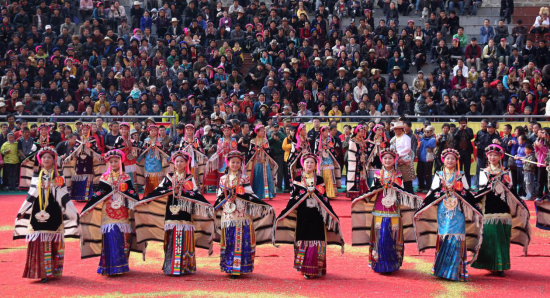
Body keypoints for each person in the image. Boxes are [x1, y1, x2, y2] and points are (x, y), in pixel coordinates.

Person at [134, 150, 215, 276]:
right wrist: (144, 200)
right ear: (173, 163)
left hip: (185, 213)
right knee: (171, 236)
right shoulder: (169, 177)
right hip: (171, 211)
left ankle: (186, 266)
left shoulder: (189, 178)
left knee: (185, 236)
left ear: (186, 163)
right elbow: (158, 191)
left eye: (181, 161)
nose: (179, 163)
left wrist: (206, 204)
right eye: (177, 161)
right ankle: (170, 266)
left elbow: (196, 194)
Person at [414, 149, 483, 282]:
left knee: (457, 236)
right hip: (443, 210)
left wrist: (473, 206)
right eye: (447, 158)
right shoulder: (439, 175)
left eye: (452, 158)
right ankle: (441, 269)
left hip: (457, 210)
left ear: (456, 161)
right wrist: (421, 208)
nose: (450, 161)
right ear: (443, 160)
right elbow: (432, 192)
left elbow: (467, 192)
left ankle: (455, 271)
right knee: (444, 235)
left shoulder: (461, 175)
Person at [272, 153, 344, 279]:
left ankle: (317, 267)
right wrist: (284, 213)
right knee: (303, 237)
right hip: (303, 213)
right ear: (303, 165)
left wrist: (331, 213)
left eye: (312, 162)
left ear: (316, 165)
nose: (309, 164)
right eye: (307, 162)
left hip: (317, 213)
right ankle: (305, 267)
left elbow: (324, 198)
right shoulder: (298, 179)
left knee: (317, 238)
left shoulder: (320, 179)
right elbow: (293, 198)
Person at [351, 148, 422, 273]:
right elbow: (371, 191)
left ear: (394, 160)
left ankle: (392, 263)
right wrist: (379, 187)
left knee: (392, 236)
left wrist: (393, 187)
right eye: (385, 158)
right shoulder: (378, 175)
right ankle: (379, 263)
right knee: (381, 236)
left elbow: (403, 193)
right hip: (379, 210)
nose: (387, 160)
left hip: (394, 210)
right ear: (381, 160)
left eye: (390, 158)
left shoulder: (399, 175)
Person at [13, 147, 79, 282]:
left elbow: (64, 196)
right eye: (44, 157)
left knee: (53, 238)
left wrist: (73, 213)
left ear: (54, 160)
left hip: (54, 210)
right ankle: (42, 272)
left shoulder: (59, 177)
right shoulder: (36, 176)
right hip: (38, 210)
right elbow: (31, 196)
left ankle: (53, 272)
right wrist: (22, 211)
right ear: (40, 160)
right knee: (39, 239)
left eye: (49, 157)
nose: (46, 160)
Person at [79, 149, 144, 276]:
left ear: (121, 162)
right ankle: (109, 266)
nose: (114, 164)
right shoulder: (104, 177)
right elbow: (98, 195)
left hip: (122, 210)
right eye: (111, 162)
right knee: (110, 235)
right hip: (108, 212)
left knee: (121, 237)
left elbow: (132, 194)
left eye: (116, 161)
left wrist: (137, 202)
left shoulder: (125, 177)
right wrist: (87, 208)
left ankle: (121, 266)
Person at [471, 144, 531, 277]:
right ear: (487, 157)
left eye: (495, 155)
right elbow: (481, 190)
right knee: (489, 237)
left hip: (504, 208)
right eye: (490, 155)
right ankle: (489, 264)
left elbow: (511, 189)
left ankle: (501, 265)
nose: (492, 157)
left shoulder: (506, 172)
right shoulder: (483, 171)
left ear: (500, 157)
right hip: (488, 208)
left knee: (502, 238)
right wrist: (492, 185)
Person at [213, 150, 275, 278]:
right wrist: (219, 204)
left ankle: (240, 267)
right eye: (232, 162)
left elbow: (250, 195)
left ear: (241, 164)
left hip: (242, 215)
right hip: (228, 214)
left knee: (241, 240)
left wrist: (264, 206)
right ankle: (229, 266)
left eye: (237, 162)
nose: (235, 165)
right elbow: (219, 196)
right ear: (228, 163)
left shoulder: (243, 178)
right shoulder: (223, 179)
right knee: (229, 240)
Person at [63, 123, 105, 201]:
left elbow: (96, 151)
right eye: (83, 130)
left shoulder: (92, 139)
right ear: (81, 131)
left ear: (89, 130)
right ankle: (78, 196)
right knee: (79, 177)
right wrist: (69, 158)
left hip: (89, 160)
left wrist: (91, 149)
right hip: (79, 161)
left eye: (87, 130)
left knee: (88, 177)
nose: (85, 131)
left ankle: (87, 196)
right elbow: (74, 151)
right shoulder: (78, 140)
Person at [136, 124, 170, 196]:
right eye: (152, 131)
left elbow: (163, 150)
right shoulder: (146, 140)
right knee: (148, 178)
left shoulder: (159, 140)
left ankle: (156, 193)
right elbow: (143, 150)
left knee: (157, 177)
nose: (153, 132)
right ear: (149, 132)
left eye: (155, 130)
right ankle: (148, 193)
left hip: (157, 160)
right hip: (148, 160)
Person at [245, 124, 278, 200]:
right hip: (256, 162)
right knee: (257, 178)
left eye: (263, 131)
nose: (263, 132)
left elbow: (268, 151)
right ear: (257, 132)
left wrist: (263, 149)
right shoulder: (252, 141)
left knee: (267, 178)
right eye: (261, 131)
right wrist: (256, 150)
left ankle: (268, 194)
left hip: (264, 162)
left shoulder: (265, 141)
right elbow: (250, 152)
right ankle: (256, 194)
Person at [19, 123, 55, 190]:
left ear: (47, 131)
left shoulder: (51, 139)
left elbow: (52, 150)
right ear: (39, 131)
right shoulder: (36, 139)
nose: (43, 131)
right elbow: (33, 151)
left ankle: (49, 186)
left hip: (48, 160)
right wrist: (26, 159)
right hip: (38, 160)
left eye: (45, 130)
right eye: (42, 130)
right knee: (38, 173)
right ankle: (37, 186)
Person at [313, 126, 341, 199]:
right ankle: (321, 193)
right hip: (321, 161)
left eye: (328, 131)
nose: (327, 133)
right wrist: (321, 150)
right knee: (322, 177)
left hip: (329, 160)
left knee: (330, 177)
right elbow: (315, 152)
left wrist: (328, 148)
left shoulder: (330, 141)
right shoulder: (317, 141)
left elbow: (332, 151)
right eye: (326, 131)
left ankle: (330, 193)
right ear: (322, 132)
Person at [205, 124, 236, 188]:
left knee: (231, 173)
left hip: (231, 159)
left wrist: (229, 155)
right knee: (221, 173)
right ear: (223, 132)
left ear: (230, 131)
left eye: (228, 130)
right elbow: (218, 150)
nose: (226, 132)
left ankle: (230, 188)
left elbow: (235, 150)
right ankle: (221, 188)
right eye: (225, 131)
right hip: (222, 160)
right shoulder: (220, 140)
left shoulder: (233, 140)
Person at [179, 124, 207, 188]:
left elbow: (200, 149)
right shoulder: (183, 140)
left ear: (193, 131)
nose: (189, 132)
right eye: (187, 130)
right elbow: (180, 149)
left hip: (194, 160)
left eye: (190, 130)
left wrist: (193, 147)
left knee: (195, 173)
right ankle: (184, 186)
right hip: (185, 159)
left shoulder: (196, 140)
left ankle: (195, 187)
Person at [390, 122, 415, 193]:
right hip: (396, 162)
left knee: (407, 179)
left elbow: (407, 148)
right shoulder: (393, 139)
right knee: (397, 179)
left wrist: (398, 154)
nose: (396, 131)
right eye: (395, 129)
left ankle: (410, 195)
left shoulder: (406, 138)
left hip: (405, 160)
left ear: (401, 129)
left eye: (398, 129)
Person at [113, 122, 140, 186]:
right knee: (123, 175)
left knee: (131, 175)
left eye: (125, 129)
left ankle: (131, 189)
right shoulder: (119, 139)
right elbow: (114, 149)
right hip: (122, 160)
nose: (123, 131)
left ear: (128, 130)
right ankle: (123, 189)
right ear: (120, 130)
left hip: (131, 160)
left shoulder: (131, 139)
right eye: (122, 129)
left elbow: (136, 146)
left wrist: (134, 148)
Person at [347, 125, 369, 198]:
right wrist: (359, 157)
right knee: (355, 176)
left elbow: (364, 150)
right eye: (361, 132)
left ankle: (362, 192)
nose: (363, 133)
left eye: (364, 132)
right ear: (357, 132)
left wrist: (364, 156)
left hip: (361, 162)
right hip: (355, 162)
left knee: (362, 176)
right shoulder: (353, 140)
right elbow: (351, 152)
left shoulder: (363, 140)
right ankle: (354, 194)